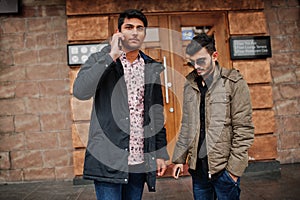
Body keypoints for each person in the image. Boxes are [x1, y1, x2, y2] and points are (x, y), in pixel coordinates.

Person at [73, 9, 169, 200]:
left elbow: (156, 115)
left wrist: (160, 153)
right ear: (119, 32)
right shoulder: (101, 59)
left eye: (140, 28)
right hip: (108, 157)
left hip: (139, 160)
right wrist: (111, 56)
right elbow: (80, 91)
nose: (135, 32)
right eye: (129, 27)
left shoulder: (151, 68)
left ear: (144, 33)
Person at [171, 33, 254, 200]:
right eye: (192, 62)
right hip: (199, 170)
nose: (196, 66)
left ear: (214, 56)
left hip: (223, 170)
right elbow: (187, 125)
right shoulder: (190, 85)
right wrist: (179, 158)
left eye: (201, 60)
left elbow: (243, 129)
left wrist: (233, 171)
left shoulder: (233, 82)